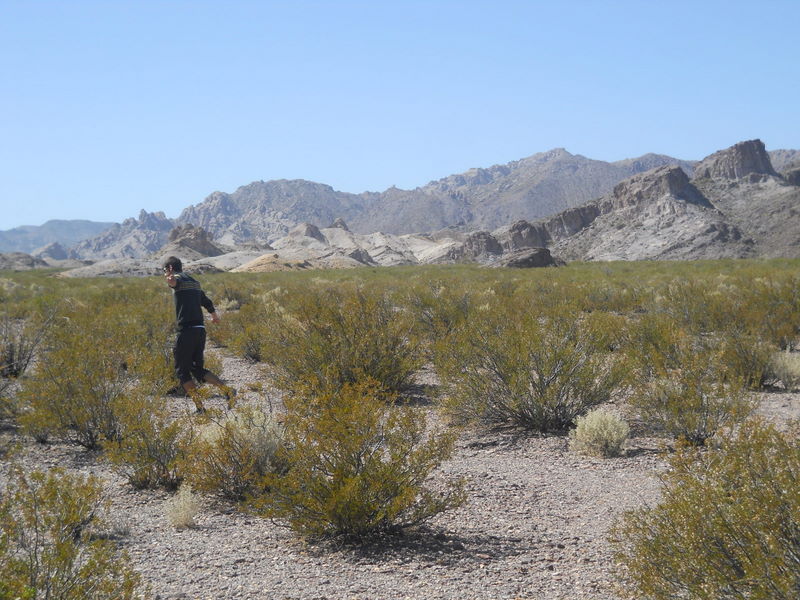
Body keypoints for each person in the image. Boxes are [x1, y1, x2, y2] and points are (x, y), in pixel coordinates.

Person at [162, 256, 235, 412]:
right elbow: (206, 300)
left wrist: (170, 279)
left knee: (182, 372)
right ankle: (228, 391)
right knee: (196, 369)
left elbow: (174, 283)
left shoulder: (177, 279)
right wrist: (214, 315)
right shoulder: (194, 282)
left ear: (170, 268)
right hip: (199, 329)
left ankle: (200, 408)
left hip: (186, 330)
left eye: (165, 270)